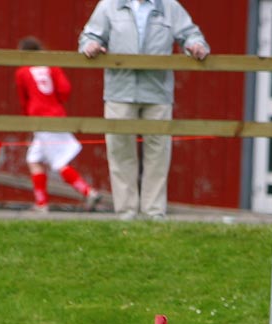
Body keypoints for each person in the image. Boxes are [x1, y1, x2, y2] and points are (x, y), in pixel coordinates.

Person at [79, 0, 208, 222]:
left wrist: (196, 46)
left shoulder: (169, 6)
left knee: (158, 154)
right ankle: (126, 214)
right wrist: (90, 46)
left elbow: (191, 34)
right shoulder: (109, 6)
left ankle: (154, 214)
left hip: (158, 93)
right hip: (119, 91)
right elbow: (89, 36)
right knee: (120, 152)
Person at [14, 37, 102, 214]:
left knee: (59, 162)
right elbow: (65, 89)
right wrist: (56, 102)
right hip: (55, 115)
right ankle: (41, 203)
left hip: (38, 117)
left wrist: (28, 117)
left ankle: (88, 192)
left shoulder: (23, 71)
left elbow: (23, 99)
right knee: (34, 160)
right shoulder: (52, 65)